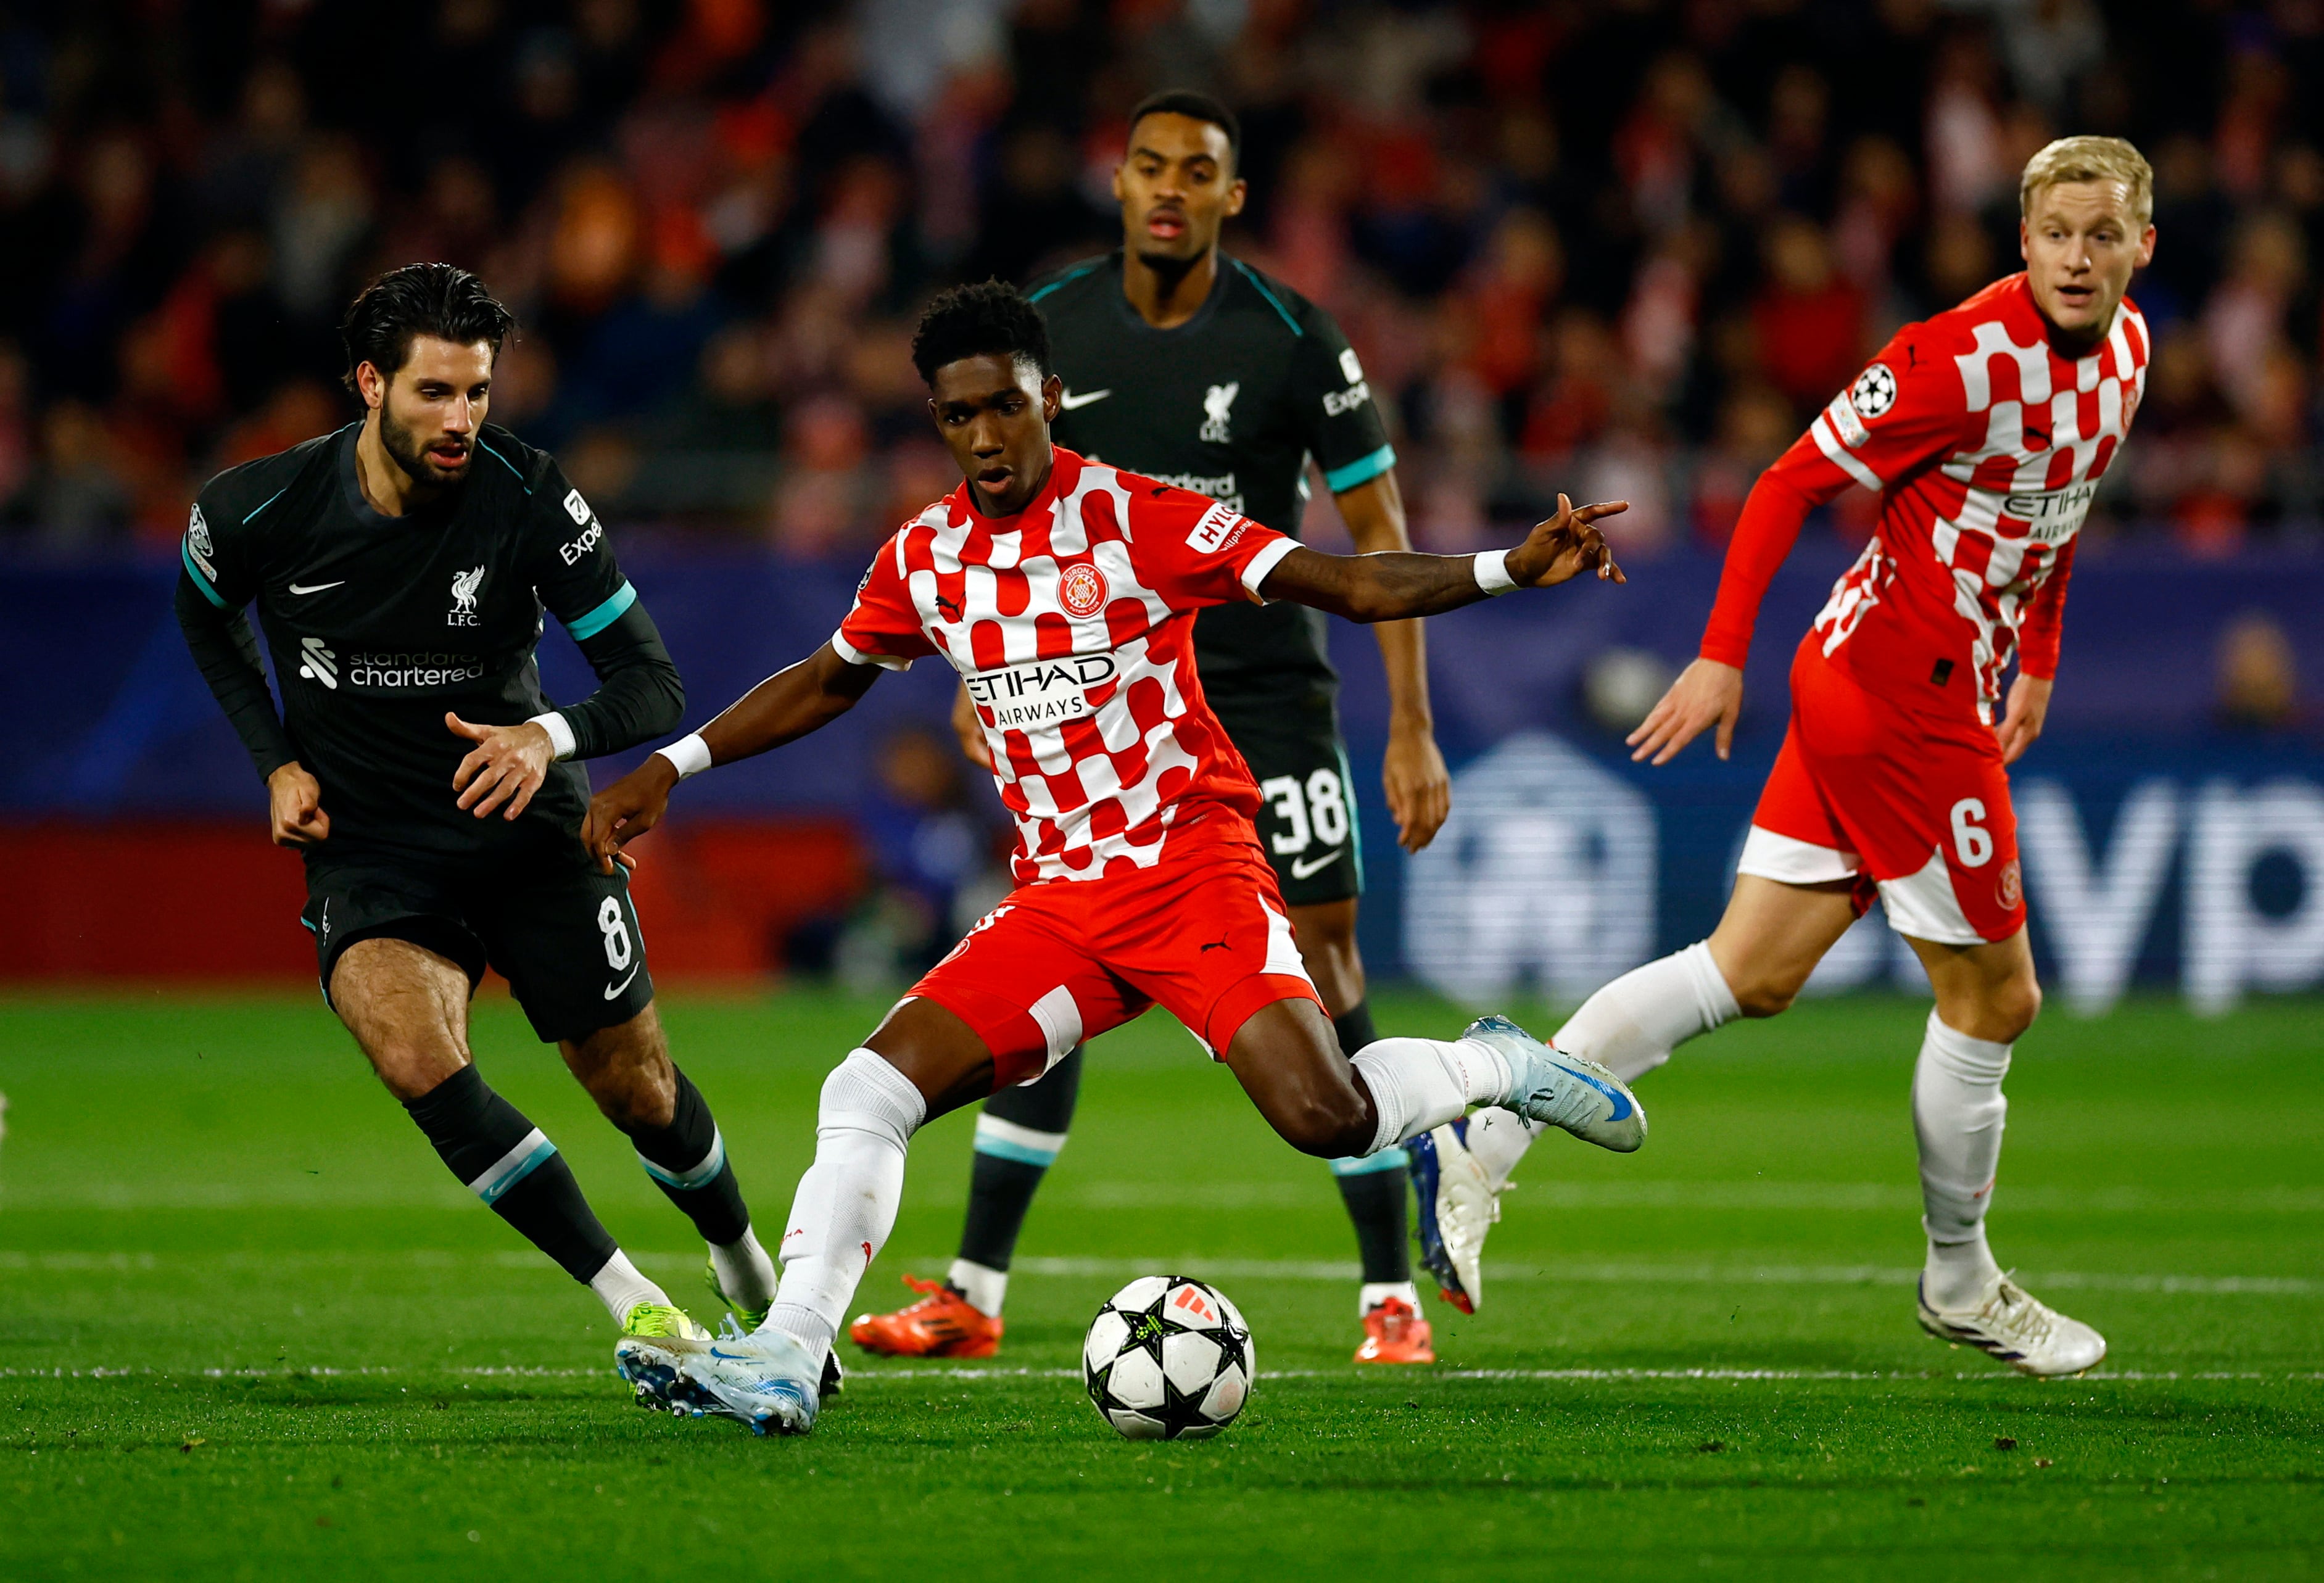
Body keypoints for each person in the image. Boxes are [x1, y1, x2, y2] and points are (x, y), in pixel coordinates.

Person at [592, 281, 1643, 1436]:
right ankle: (790, 1351)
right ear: (936, 422)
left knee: (1327, 1117)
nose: (986, 436)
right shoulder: (927, 556)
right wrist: (673, 765)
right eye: (957, 418)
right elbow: (830, 676)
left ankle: (1492, 1066)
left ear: (1049, 396)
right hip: (1065, 906)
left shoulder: (1137, 518)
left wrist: (1507, 566)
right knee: (867, 1088)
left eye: (1004, 407)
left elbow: (1343, 584)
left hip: (1191, 867)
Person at [1407, 136, 2155, 1378]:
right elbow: (1782, 483)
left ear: (2143, 245)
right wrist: (1716, 653)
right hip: (1896, 702)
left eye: (2104, 234)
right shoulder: (1953, 356)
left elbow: (2056, 515)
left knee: (1745, 970)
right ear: (2021, 242)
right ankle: (1961, 1279)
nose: (2080, 257)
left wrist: (2040, 651)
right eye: (2057, 234)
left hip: (1916, 680)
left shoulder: (2126, 358)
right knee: (1997, 996)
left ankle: (1482, 1136)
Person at [850, 90, 1455, 1368]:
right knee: (1053, 948)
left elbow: (1375, 537)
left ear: (1236, 197)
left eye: (1199, 171)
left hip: (1272, 698)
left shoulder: (1295, 337)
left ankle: (1387, 1288)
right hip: (1104, 697)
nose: (1170, 188)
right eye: (1147, 166)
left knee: (1328, 966)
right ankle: (973, 1281)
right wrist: (988, 668)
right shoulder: (1049, 330)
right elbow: (1009, 532)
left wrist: (1410, 721)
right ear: (1116, 184)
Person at [173, 263, 784, 1396]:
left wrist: (546, 736)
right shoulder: (254, 509)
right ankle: (635, 1302)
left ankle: (746, 1266)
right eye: (435, 394)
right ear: (369, 385)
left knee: (637, 1086)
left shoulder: (529, 496)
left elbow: (649, 681)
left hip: (526, 830)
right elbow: (204, 615)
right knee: (411, 1049)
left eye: (478, 393)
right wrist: (276, 760)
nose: (461, 420)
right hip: (371, 846)